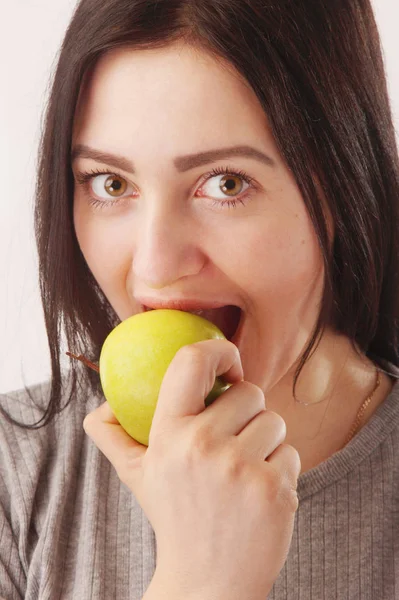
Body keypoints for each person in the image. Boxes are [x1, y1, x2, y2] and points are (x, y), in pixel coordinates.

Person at [1, 0, 399, 598]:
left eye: (226, 183)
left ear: (344, 186)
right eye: (111, 183)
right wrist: (205, 578)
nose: (155, 266)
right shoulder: (12, 473)